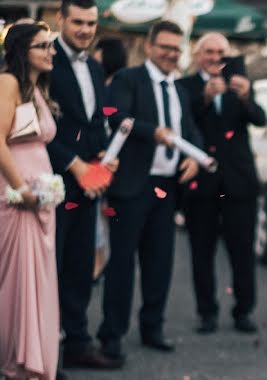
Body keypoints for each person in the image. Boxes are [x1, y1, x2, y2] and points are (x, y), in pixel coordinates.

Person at [96, 20, 201, 361]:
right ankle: (111, 335)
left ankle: (152, 327)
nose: (171, 53)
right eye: (165, 47)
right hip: (132, 185)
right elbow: (116, 116)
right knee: (122, 264)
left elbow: (190, 132)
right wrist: (152, 131)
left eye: (176, 48)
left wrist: (195, 159)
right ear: (149, 47)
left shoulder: (180, 89)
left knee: (160, 262)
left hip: (167, 187)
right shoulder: (130, 79)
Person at [46, 0, 122, 372]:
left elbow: (95, 123)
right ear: (60, 19)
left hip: (89, 185)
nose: (85, 30)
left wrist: (104, 157)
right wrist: (75, 166)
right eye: (77, 22)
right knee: (50, 269)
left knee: (79, 268)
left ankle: (77, 343)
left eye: (91, 23)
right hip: (52, 182)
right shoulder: (43, 60)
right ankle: (45, 353)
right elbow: (39, 127)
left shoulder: (93, 66)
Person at [179, 33, 267, 335]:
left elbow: (260, 119)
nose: (216, 57)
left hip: (239, 182)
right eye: (209, 52)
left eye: (221, 52)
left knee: (241, 251)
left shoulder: (238, 82)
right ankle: (207, 312)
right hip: (201, 183)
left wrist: (245, 96)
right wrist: (204, 98)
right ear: (198, 54)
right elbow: (182, 123)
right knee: (201, 252)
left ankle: (244, 311)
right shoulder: (186, 86)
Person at [0, 23, 61, 380]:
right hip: (15, 197)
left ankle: (26, 370)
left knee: (34, 287)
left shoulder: (35, 88)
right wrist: (22, 188)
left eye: (51, 45)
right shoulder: (7, 82)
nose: (52, 51)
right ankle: (13, 373)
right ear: (22, 50)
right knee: (15, 287)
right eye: (43, 46)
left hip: (38, 202)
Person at [90, 36, 127, 281]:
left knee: (98, 214)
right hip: (106, 158)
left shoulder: (110, 86)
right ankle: (98, 263)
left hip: (106, 157)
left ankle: (98, 264)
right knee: (100, 215)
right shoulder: (111, 84)